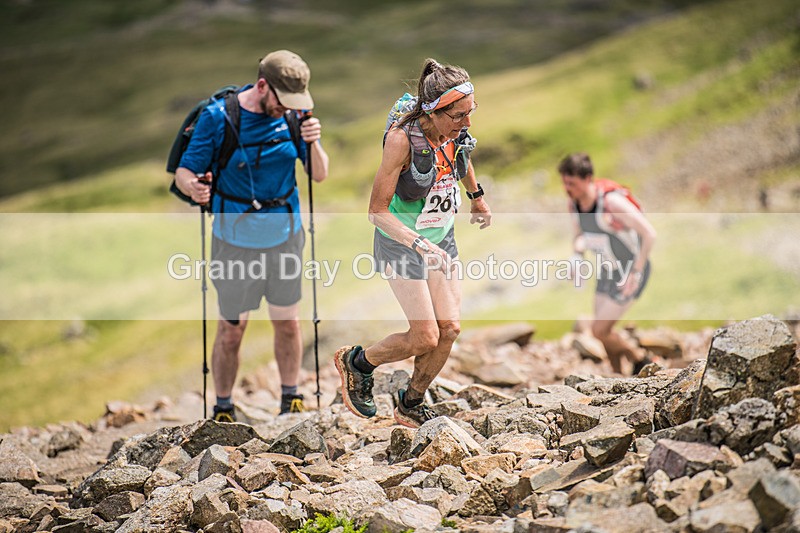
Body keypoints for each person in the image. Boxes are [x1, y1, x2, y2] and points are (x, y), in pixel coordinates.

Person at [334, 58, 492, 428]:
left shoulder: (455, 131)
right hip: (401, 245)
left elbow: (462, 154)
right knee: (424, 336)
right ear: (434, 112)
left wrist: (477, 196)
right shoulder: (401, 141)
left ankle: (411, 403)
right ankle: (358, 363)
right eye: (458, 116)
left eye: (471, 112)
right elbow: (376, 212)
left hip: (442, 240)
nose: (466, 123)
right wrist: (419, 244)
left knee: (449, 330)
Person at [174, 50, 329, 421]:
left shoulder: (295, 118)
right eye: (283, 100)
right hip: (234, 242)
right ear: (262, 86)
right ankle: (224, 407)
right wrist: (195, 189)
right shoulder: (218, 118)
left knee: (288, 323)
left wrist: (313, 142)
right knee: (232, 329)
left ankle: (290, 398)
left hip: (286, 237)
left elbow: (319, 174)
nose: (288, 108)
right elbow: (184, 172)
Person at [559, 153, 656, 375]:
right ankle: (617, 376)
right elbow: (579, 236)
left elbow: (649, 234)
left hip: (631, 271)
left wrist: (636, 272)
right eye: (564, 182)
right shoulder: (573, 204)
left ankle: (642, 359)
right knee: (603, 331)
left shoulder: (611, 203)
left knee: (598, 329)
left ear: (588, 178)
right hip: (607, 272)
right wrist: (577, 256)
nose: (567, 188)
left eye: (572, 183)